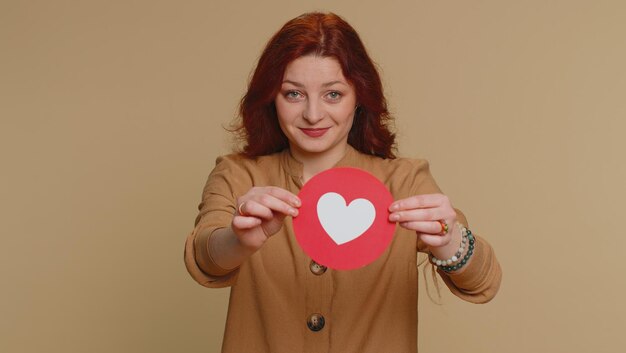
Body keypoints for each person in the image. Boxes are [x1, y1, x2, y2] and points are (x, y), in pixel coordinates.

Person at [184, 12, 501, 353]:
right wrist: (238, 239)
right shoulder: (240, 175)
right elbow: (205, 258)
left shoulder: (404, 179)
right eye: (293, 94)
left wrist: (451, 240)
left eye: (333, 94)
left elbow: (483, 282)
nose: (313, 114)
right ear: (271, 98)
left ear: (359, 97)